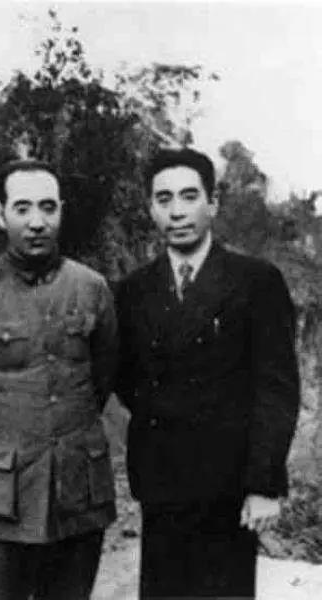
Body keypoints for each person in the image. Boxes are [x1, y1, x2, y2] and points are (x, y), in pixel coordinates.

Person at [115, 148, 300, 599]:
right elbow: (127, 380)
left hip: (229, 487)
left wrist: (263, 485)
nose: (177, 212)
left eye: (189, 196)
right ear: (150, 208)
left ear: (212, 203)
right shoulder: (134, 290)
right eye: (164, 199)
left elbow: (276, 390)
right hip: (161, 485)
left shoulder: (256, 281)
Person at [0, 158, 118, 600]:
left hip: (76, 494)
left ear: (61, 212)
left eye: (48, 207)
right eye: (22, 208)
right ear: (1, 215)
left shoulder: (92, 288)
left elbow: (102, 376)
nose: (37, 221)